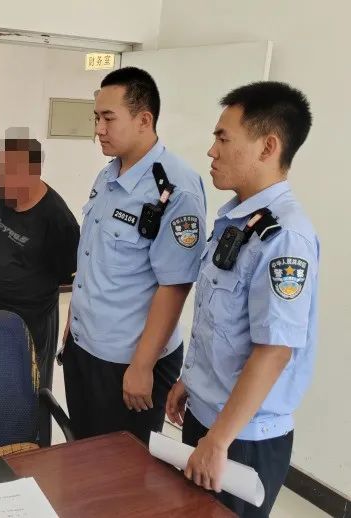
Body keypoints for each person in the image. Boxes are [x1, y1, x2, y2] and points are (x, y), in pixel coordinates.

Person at [166, 81, 318, 517]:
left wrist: (218, 441)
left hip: (241, 438)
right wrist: (192, 380)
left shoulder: (284, 237)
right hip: (210, 418)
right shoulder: (237, 220)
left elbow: (274, 351)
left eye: (223, 138)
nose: (211, 151)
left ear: (268, 146)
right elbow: (221, 322)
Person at [62, 67, 207, 444]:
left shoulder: (175, 189)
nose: (99, 129)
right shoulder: (109, 175)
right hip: (85, 347)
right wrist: (73, 321)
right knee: (82, 454)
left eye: (108, 118)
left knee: (120, 468)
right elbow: (92, 258)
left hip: (129, 361)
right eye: (96, 117)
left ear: (144, 119)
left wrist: (142, 366)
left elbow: (174, 285)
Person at [0, 128, 80, 446]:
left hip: (30, 323)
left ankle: (33, 452)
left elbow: (68, 277)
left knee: (30, 392)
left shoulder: (58, 219)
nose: (0, 180)